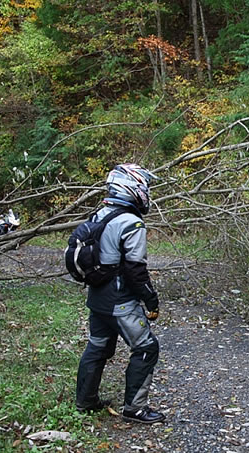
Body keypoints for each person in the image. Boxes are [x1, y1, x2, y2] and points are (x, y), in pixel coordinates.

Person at [76, 163, 166, 424]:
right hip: (120, 302)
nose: (147, 191)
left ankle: (86, 401)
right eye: (144, 186)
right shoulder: (132, 222)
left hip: (97, 298)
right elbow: (135, 270)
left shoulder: (99, 214)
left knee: (97, 347)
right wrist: (151, 300)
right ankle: (135, 408)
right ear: (132, 187)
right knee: (147, 348)